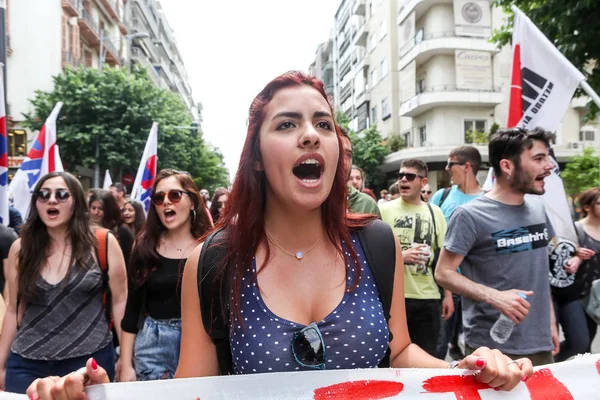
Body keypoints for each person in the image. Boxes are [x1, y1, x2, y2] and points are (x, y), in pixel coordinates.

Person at [27, 72, 531, 399]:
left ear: (335, 150)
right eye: (287, 124)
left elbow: (398, 352)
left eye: (323, 124)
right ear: (257, 158)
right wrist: (104, 393)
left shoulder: (377, 244)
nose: (310, 134)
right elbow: (191, 390)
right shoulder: (211, 262)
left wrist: (469, 367)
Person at [435, 127, 560, 366]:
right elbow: (443, 273)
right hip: (492, 349)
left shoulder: (538, 209)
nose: (549, 166)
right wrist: (495, 297)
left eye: (547, 157)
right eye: (539, 158)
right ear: (507, 166)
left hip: (540, 343)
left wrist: (551, 322)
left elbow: (540, 272)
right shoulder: (469, 215)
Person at [0, 172, 128, 393]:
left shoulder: (103, 243)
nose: (52, 200)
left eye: (61, 194)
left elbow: (120, 302)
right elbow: (13, 310)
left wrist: (126, 361)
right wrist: (0, 363)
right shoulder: (20, 250)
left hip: (89, 363)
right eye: (43, 194)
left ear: (76, 202)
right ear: (36, 203)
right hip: (26, 365)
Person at [117, 170, 212, 382]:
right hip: (153, 345)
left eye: (175, 195)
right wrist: (125, 364)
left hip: (201, 343)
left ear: (193, 202)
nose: (166, 202)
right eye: (159, 198)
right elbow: (132, 310)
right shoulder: (144, 248)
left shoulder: (210, 249)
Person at [379, 159, 453, 357]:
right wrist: (400, 256)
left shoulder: (435, 212)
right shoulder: (384, 210)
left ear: (423, 182)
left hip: (427, 298)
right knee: (391, 358)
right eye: (400, 176)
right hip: (394, 297)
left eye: (410, 176)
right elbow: (373, 254)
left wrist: (448, 296)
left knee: (426, 356)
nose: (403, 180)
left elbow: (443, 258)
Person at [431, 146, 484, 360]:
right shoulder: (441, 197)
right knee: (439, 345)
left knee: (477, 347)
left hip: (476, 287)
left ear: (467, 167)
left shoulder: (487, 201)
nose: (446, 168)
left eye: (450, 163)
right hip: (444, 284)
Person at [561, 188, 600, 357]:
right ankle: (553, 359)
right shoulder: (576, 229)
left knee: (587, 342)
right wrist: (576, 256)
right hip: (579, 293)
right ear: (587, 206)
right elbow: (561, 259)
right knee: (581, 342)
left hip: (598, 294)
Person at [88, 190, 135, 268]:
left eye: (101, 208)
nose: (96, 212)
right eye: (93, 208)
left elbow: (130, 262)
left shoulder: (122, 231)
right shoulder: (85, 229)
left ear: (108, 210)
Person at [340, 130, 380, 216]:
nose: (343, 161)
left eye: (348, 155)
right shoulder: (309, 202)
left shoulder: (367, 205)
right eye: (338, 152)